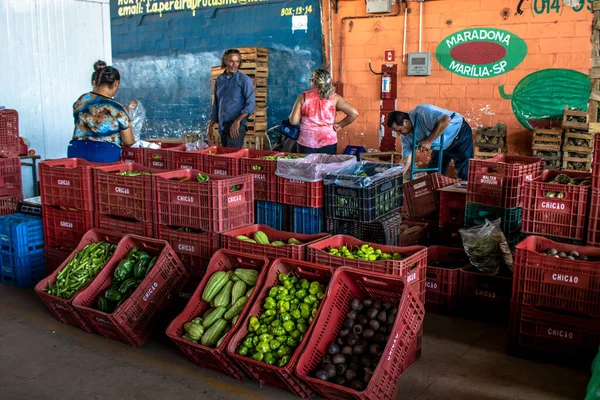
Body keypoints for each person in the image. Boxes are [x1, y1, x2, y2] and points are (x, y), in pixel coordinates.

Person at [68, 61, 135, 162]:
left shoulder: (81, 100)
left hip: (76, 153)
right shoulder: (116, 109)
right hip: (104, 155)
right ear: (116, 83)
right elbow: (128, 141)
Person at [387, 105, 473, 180]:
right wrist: (396, 179)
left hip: (459, 135)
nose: (398, 134)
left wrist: (428, 141)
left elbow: (446, 119)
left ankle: (466, 197)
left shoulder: (422, 112)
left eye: (399, 130)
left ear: (406, 122)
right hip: (440, 145)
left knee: (465, 173)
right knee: (433, 175)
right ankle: (437, 198)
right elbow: (406, 160)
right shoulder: (405, 136)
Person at [288, 69, 359, 155]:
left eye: (311, 80)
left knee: (307, 167)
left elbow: (293, 121)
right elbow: (354, 113)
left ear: (314, 81)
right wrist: (340, 125)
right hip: (328, 140)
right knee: (326, 167)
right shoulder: (334, 98)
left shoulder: (303, 96)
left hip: (307, 141)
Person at [207, 48, 255, 148]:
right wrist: (210, 126)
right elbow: (216, 104)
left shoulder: (244, 80)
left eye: (237, 61)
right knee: (226, 157)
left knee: (232, 156)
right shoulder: (220, 79)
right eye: (231, 61)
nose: (234, 64)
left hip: (237, 126)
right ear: (225, 61)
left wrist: (237, 121)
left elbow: (250, 104)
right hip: (222, 126)